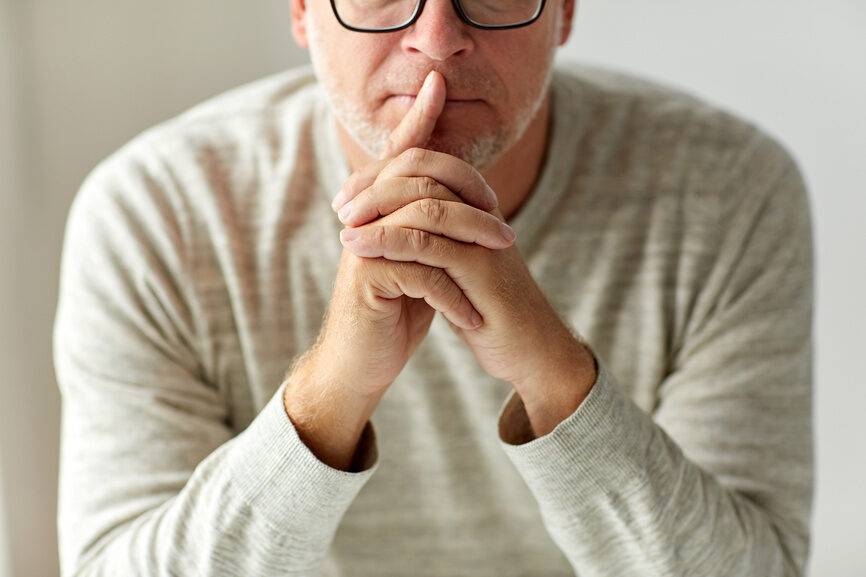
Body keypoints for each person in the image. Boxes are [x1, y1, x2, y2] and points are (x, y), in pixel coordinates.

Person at [52, 0, 815, 574]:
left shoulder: (729, 191)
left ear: (568, 11)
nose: (438, 38)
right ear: (301, 10)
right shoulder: (156, 211)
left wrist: (551, 368)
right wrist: (335, 382)